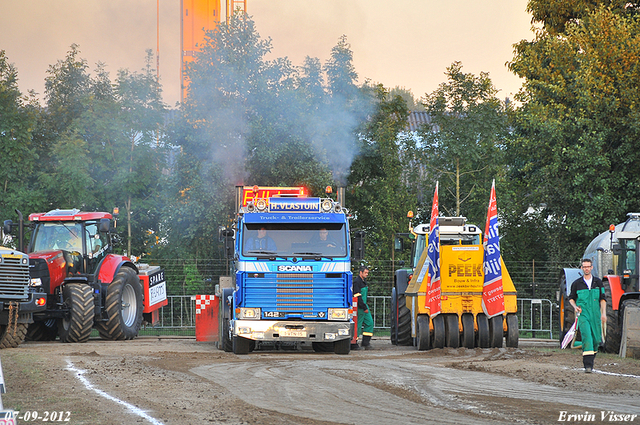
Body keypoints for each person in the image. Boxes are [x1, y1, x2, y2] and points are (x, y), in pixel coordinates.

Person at [569, 258, 607, 373]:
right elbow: (571, 298)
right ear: (581, 268)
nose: (586, 268)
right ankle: (588, 366)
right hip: (583, 314)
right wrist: (575, 307)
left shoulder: (598, 282)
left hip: (596, 315)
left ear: (591, 268)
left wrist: (603, 313)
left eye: (588, 266)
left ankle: (591, 358)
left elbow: (603, 299)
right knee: (587, 337)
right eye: (584, 267)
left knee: (596, 339)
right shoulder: (577, 283)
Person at [353, 265, 374, 350]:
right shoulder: (357, 282)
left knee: (370, 323)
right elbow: (357, 295)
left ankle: (366, 342)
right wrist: (363, 307)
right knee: (358, 324)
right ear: (360, 272)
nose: (367, 274)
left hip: (364, 306)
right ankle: (354, 344)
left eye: (367, 273)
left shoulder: (363, 281)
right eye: (365, 273)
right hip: (360, 307)